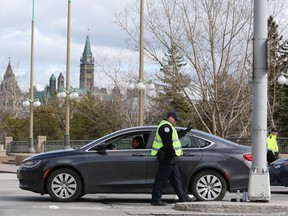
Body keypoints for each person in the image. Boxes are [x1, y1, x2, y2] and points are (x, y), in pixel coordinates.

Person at [150, 111, 195, 206]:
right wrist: (171, 155)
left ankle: (184, 198)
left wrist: (185, 131)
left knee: (177, 179)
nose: (176, 121)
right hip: (167, 157)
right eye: (175, 119)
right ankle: (156, 200)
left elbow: (175, 136)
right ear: (169, 117)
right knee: (161, 179)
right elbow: (167, 144)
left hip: (170, 158)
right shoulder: (165, 127)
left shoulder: (169, 127)